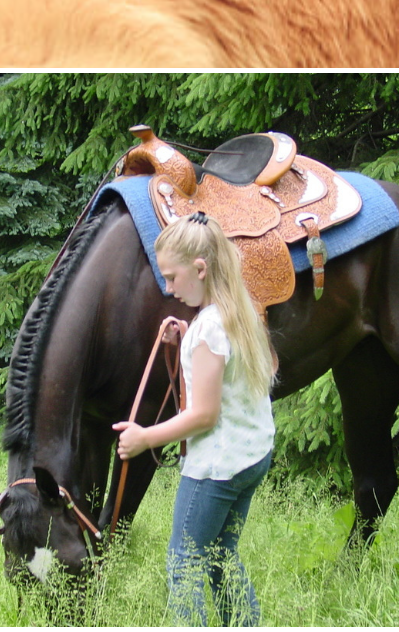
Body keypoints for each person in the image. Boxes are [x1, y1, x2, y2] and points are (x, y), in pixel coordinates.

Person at [115, 212, 278, 627]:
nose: (168, 289)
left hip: (217, 468)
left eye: (171, 277)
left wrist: (144, 437)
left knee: (184, 562)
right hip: (252, 455)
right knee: (222, 554)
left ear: (200, 269)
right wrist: (188, 343)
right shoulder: (237, 310)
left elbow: (204, 415)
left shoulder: (208, 328)